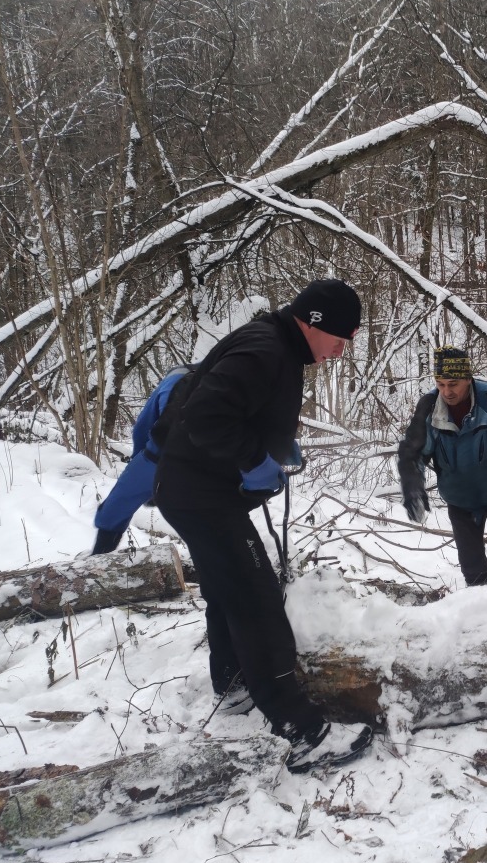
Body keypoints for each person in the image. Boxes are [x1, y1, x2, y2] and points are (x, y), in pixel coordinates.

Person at [153, 278, 372, 774]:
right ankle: (302, 732)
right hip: (202, 497)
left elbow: (229, 408)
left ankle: (233, 686)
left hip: (194, 491)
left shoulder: (274, 345)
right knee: (255, 598)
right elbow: (206, 417)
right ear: (315, 323)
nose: (340, 351)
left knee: (229, 587)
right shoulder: (266, 350)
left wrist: (270, 445)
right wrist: (255, 459)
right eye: (341, 338)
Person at [398, 347, 487, 597]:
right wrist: (412, 486)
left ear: (468, 378)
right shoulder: (430, 407)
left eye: (453, 384)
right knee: (471, 565)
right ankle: (482, 616)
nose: (447, 391)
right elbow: (412, 453)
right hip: (460, 501)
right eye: (441, 384)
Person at [90, 363, 196, 555]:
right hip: (219, 456)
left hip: (165, 453)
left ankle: (99, 559)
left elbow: (142, 429)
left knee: (117, 505)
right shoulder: (220, 377)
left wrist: (142, 467)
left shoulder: (173, 380)